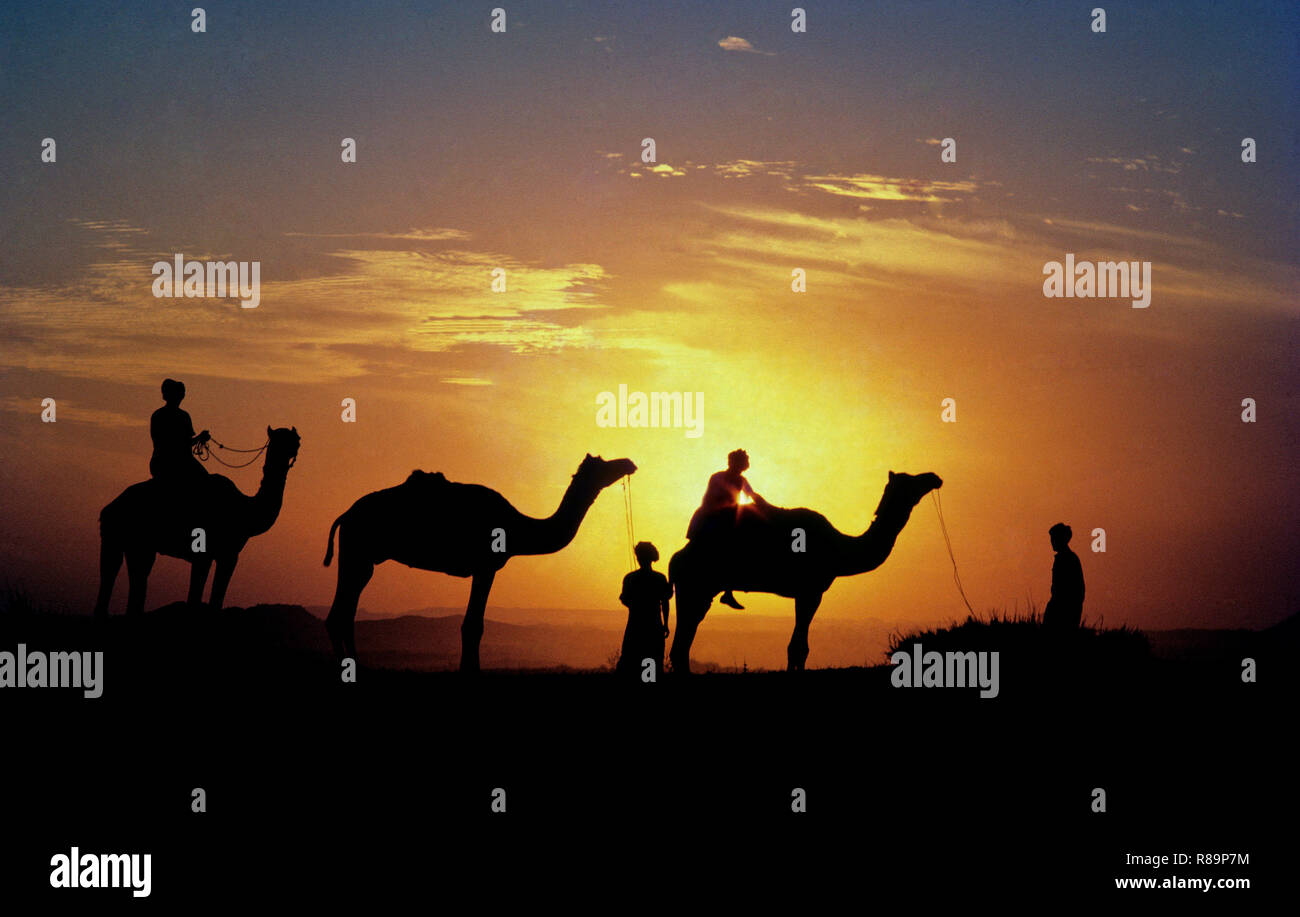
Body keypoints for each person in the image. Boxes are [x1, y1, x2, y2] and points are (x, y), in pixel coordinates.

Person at [686, 449, 760, 609]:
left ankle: (729, 590)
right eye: (739, 463)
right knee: (728, 548)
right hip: (711, 516)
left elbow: (752, 495)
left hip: (727, 516)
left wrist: (767, 507)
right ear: (733, 462)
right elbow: (710, 498)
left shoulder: (742, 480)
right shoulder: (717, 477)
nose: (741, 467)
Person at [617, 542, 672, 679]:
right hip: (654, 624)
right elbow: (665, 602)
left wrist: (635, 605)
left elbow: (624, 599)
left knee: (630, 658)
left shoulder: (630, 578)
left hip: (635, 624)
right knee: (652, 658)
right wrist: (665, 624)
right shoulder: (660, 578)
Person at [149, 379, 210, 484]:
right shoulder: (183, 416)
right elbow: (183, 444)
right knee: (206, 481)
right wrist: (200, 438)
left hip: (158, 463)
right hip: (180, 462)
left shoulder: (157, 415)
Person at [1041, 523, 1085, 632]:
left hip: (1063, 610)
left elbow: (1074, 590)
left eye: (1053, 538)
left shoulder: (1068, 559)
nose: (1051, 542)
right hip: (1062, 607)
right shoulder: (1066, 558)